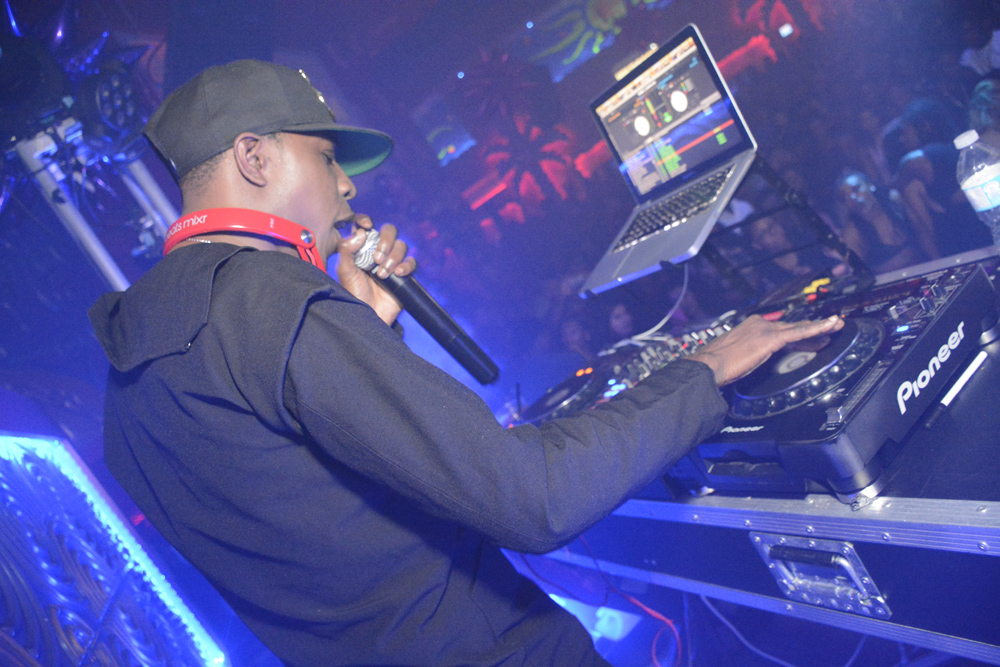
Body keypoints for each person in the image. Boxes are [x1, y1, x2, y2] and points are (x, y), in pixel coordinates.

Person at [88, 60, 842, 667]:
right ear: (254, 157)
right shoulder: (276, 301)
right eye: (325, 157)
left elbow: (323, 523)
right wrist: (705, 367)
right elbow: (533, 497)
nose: (347, 185)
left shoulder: (126, 388)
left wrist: (366, 330)